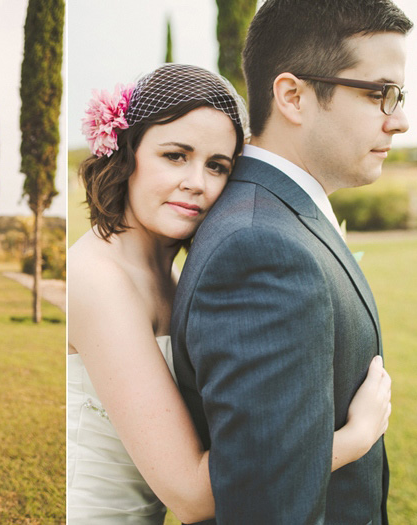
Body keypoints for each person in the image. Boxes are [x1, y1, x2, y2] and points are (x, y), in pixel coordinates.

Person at [69, 63, 393, 524]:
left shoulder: (169, 271)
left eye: (217, 165)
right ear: (127, 152)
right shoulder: (99, 281)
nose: (197, 183)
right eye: (175, 155)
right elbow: (193, 496)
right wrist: (353, 439)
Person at [170, 1, 412, 523]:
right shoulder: (259, 248)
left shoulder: (278, 217)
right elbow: (267, 504)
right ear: (293, 96)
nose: (400, 121)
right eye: (380, 94)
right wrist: (359, 437)